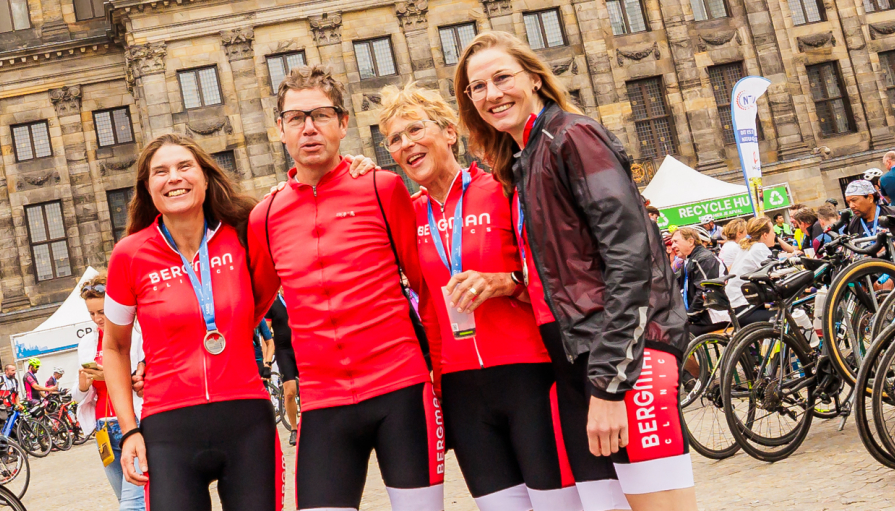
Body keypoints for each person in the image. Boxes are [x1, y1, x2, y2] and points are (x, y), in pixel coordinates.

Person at [458, 33, 698, 511]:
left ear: (534, 78)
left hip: (625, 356)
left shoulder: (572, 135)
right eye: (476, 87)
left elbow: (631, 260)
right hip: (574, 362)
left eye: (502, 77)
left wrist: (610, 382)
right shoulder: (524, 158)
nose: (491, 93)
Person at [247, 67, 445, 511]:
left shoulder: (382, 187)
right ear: (280, 129)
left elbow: (424, 288)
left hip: (401, 390)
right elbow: (247, 311)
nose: (309, 128)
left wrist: (440, 375)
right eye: (296, 118)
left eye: (320, 115)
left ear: (344, 122)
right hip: (324, 403)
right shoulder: (266, 214)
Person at [379, 83, 582, 511]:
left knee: (557, 505)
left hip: (529, 375)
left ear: (450, 132)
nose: (406, 144)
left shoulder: (500, 187)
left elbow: (554, 274)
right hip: (459, 387)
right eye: (395, 139)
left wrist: (507, 281)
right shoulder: (406, 215)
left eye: (415, 129)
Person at [103, 134, 279, 511]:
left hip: (246, 419)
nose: (174, 178)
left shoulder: (244, 235)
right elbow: (114, 347)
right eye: (160, 172)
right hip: (168, 429)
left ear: (205, 176)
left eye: (184, 167)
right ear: (147, 188)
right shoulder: (129, 255)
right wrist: (130, 428)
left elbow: (262, 304)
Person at [79, 282, 149, 511]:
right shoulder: (87, 343)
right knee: (126, 498)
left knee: (132, 504)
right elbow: (78, 395)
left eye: (102, 311)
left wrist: (109, 375)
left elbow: (143, 380)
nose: (97, 318)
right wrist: (81, 386)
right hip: (104, 428)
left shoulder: (136, 335)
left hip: (133, 421)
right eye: (92, 313)